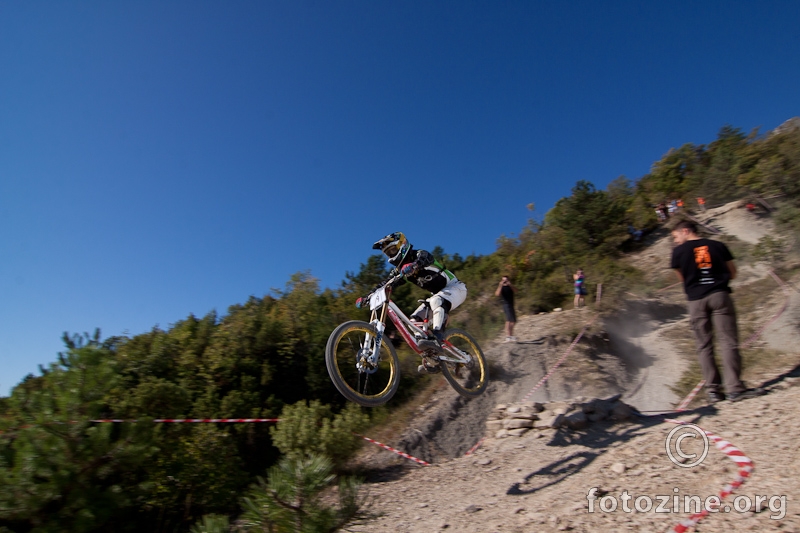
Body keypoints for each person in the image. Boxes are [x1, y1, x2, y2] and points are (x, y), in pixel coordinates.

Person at [670, 220, 765, 402]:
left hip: (696, 300)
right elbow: (733, 273)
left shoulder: (678, 252)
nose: (675, 241)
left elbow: (682, 278)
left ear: (685, 231)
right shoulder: (718, 245)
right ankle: (735, 388)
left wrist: (695, 283)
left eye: (676, 236)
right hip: (719, 295)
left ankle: (713, 390)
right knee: (728, 341)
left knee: (704, 345)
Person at [367, 232, 468, 374]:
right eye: (388, 253)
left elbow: (426, 259)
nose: (391, 254)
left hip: (455, 288)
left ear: (402, 246)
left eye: (392, 250)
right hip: (437, 297)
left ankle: (438, 336)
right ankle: (434, 356)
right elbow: (384, 284)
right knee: (414, 321)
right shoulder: (399, 271)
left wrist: (414, 265)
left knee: (436, 300)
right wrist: (368, 296)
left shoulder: (419, 254)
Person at [495, 276, 517, 342]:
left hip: (511, 304)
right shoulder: (502, 288)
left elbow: (516, 291)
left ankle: (511, 335)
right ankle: (508, 336)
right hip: (506, 305)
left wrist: (510, 285)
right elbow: (497, 294)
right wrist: (500, 285)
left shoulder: (510, 287)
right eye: (504, 281)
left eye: (506, 280)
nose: (505, 282)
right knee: (508, 319)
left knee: (513, 320)